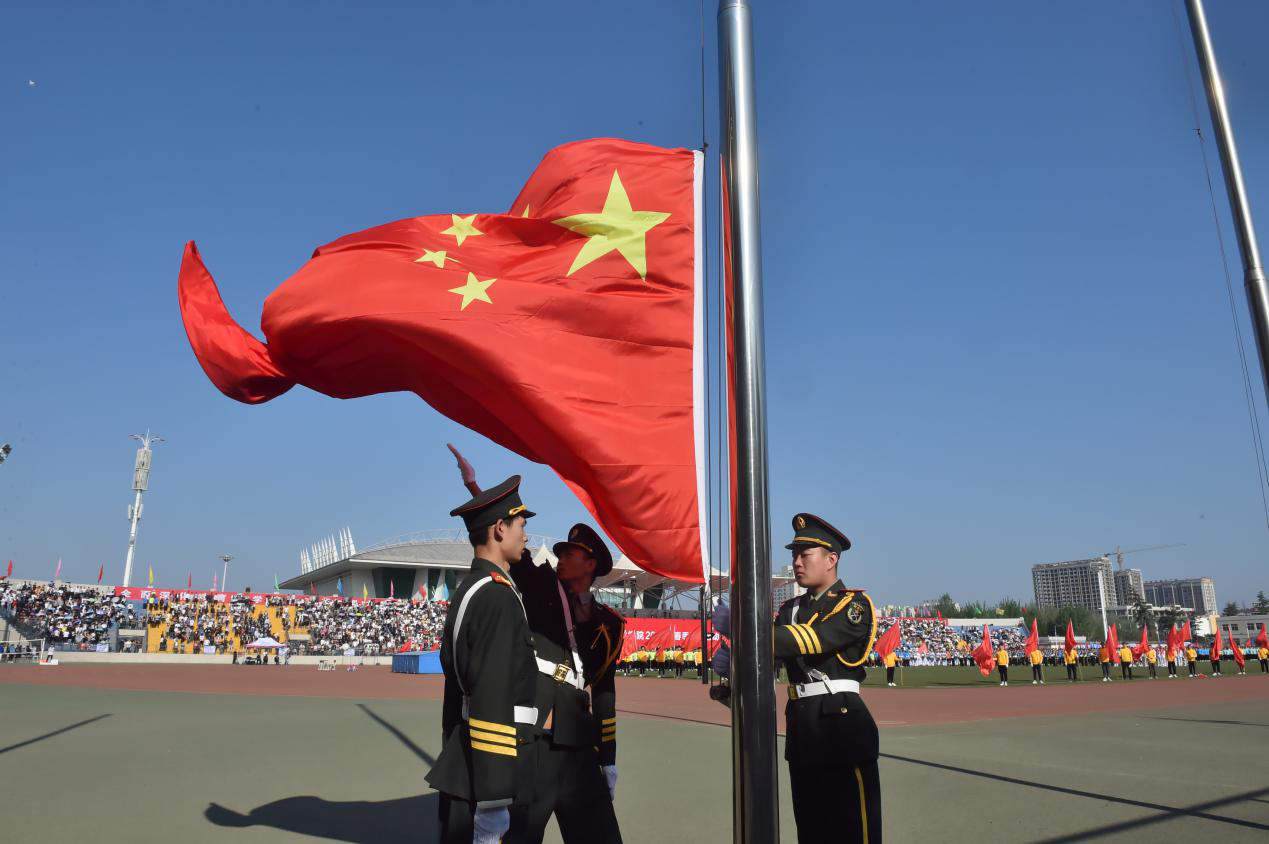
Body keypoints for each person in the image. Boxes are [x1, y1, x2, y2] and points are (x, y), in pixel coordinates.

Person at [449, 448, 624, 843]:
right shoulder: (542, 585)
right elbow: (500, 535)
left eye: (571, 554)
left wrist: (609, 758)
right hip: (535, 739)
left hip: (578, 745)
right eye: (561, 553)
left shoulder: (610, 624)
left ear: (590, 564)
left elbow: (605, 693)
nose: (561, 558)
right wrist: (474, 486)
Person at [425, 475, 540, 844]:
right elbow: (492, 695)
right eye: (521, 525)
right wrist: (494, 799)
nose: (526, 536)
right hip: (492, 773)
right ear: (500, 528)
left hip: (471, 761)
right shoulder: (496, 597)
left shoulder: (473, 589)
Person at [772, 513, 881, 843]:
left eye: (805, 554)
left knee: (853, 833)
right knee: (811, 833)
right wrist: (733, 662)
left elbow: (813, 640)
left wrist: (747, 630)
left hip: (841, 729)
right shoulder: (789, 610)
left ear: (831, 559)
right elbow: (769, 658)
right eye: (795, 554)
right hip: (802, 732)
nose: (796, 562)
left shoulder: (854, 605)